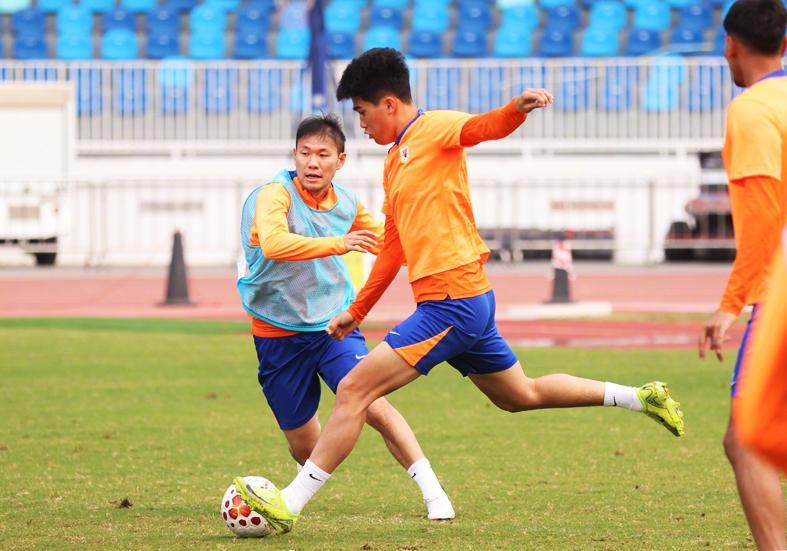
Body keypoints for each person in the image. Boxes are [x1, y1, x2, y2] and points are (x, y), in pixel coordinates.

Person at [235, 48, 684, 534]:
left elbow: (481, 127)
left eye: (362, 112)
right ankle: (639, 397)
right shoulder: (394, 163)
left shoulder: (433, 128)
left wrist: (515, 109)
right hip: (468, 300)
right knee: (520, 394)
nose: (360, 124)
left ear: (389, 104)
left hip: (451, 302)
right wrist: (357, 311)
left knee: (353, 388)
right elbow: (393, 249)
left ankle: (290, 503)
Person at [236, 113, 455, 524]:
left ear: (341, 160)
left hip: (332, 328)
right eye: (305, 153)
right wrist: (340, 243)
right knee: (307, 448)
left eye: (323, 154)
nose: (312, 162)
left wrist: (443, 252)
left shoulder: (348, 203)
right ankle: (301, 487)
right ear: (294, 156)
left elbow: (390, 243)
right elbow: (275, 244)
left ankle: (434, 492)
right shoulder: (274, 196)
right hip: (276, 335)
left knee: (374, 403)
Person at [697, 1, 787, 548]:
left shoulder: (752, 111)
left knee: (746, 440)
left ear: (730, 43)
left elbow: (763, 221)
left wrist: (730, 305)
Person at [735, 233, 787, 474]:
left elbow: (756, 236)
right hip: (771, 294)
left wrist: (729, 305)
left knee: (744, 441)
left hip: (770, 299)